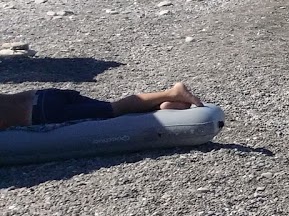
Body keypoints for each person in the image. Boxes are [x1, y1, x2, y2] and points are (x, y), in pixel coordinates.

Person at [0, 83, 204, 130]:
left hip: (43, 113)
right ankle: (165, 105)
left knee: (113, 110)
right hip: (43, 95)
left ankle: (172, 92)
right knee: (108, 109)